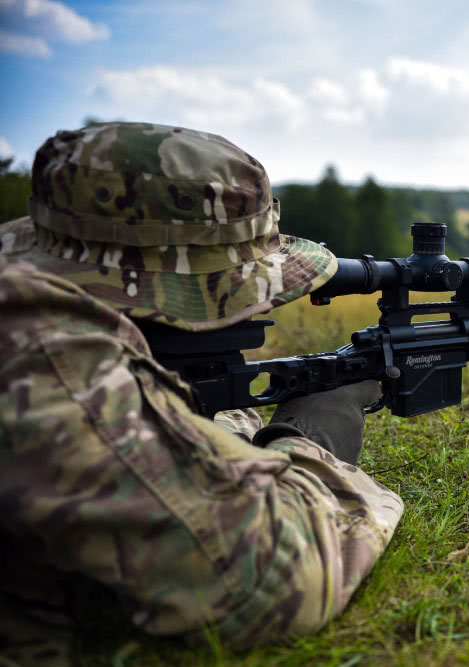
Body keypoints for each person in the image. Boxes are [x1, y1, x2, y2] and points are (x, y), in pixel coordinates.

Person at [0, 122, 404, 666]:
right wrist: (314, 436)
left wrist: (204, 423)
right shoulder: (38, 355)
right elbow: (267, 579)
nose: (260, 308)